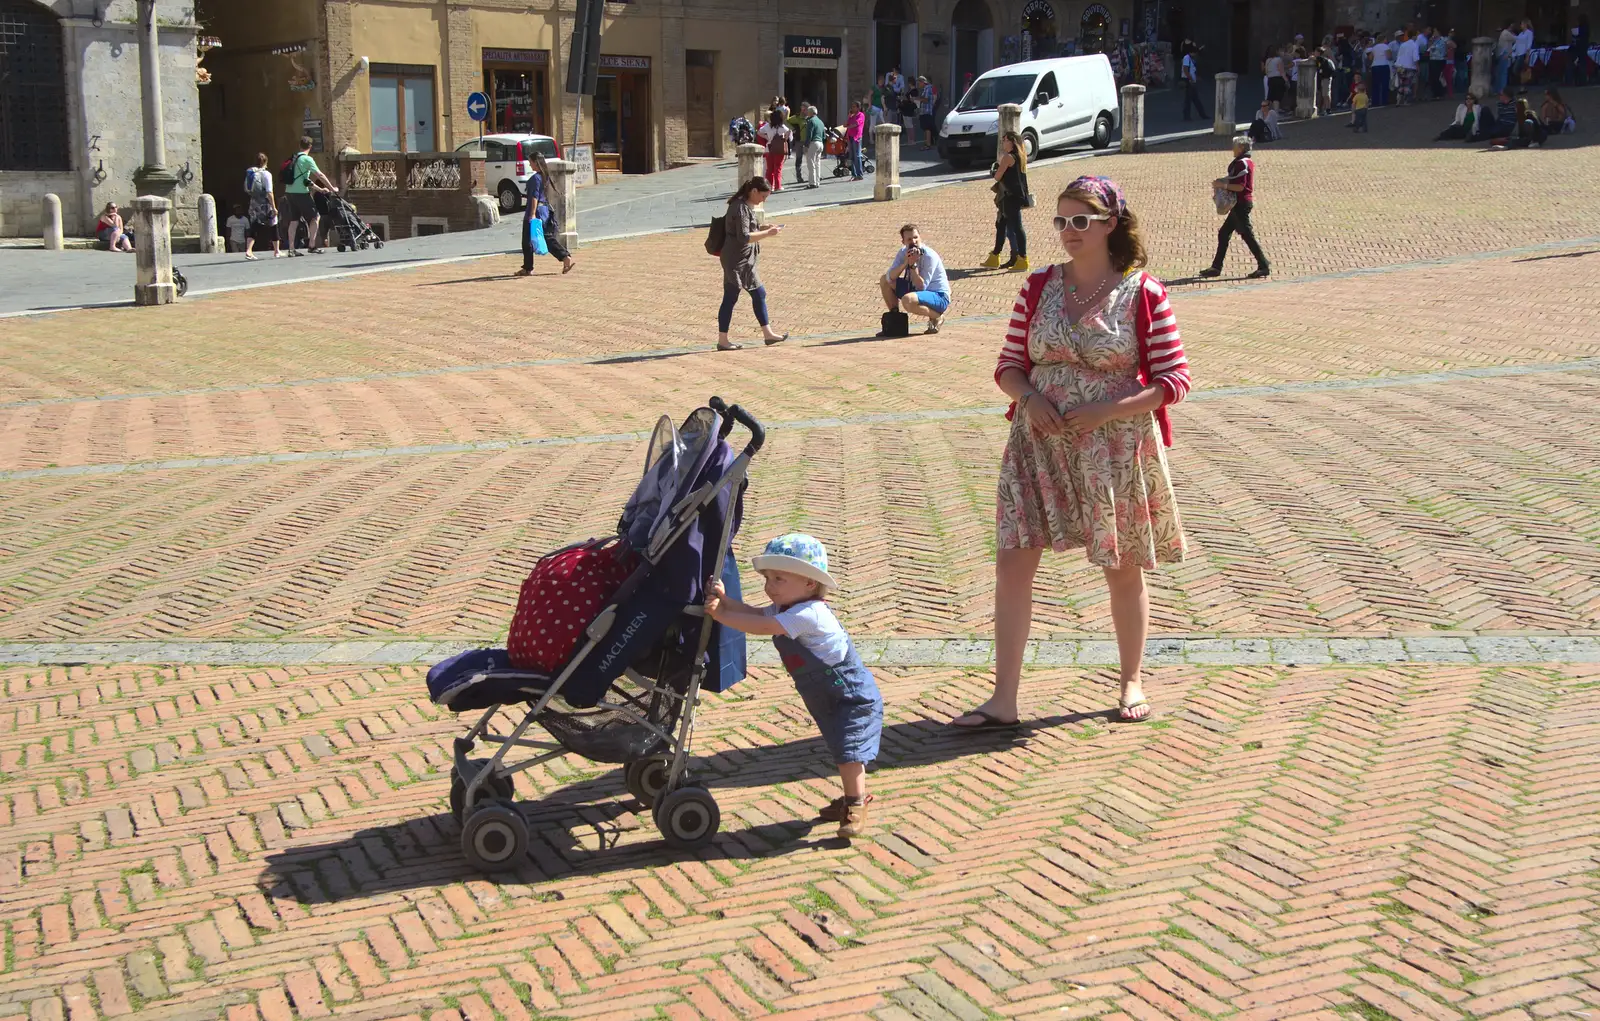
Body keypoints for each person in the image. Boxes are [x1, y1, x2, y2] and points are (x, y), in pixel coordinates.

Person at [956, 174, 1190, 731]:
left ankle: (1131, 679)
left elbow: (1175, 379)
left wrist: (1109, 410)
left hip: (1114, 448)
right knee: (1013, 563)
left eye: (1080, 220)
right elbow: (1009, 366)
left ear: (1112, 223)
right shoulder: (1039, 286)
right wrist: (1030, 397)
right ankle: (1003, 698)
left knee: (1122, 565)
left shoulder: (1144, 291)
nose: (1068, 232)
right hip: (1037, 445)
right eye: (1060, 221)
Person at [705, 534, 882, 840]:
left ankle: (855, 804)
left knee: (848, 751)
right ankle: (852, 795)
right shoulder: (788, 606)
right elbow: (756, 613)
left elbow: (763, 627)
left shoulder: (808, 614)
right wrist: (728, 602)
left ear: (810, 584)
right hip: (827, 693)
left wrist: (721, 615)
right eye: (767, 578)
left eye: (779, 579)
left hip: (850, 694)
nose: (769, 586)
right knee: (842, 747)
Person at [716, 176, 788, 351]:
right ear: (754, 191)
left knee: (759, 294)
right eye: (763, 196)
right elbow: (744, 237)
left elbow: (747, 229)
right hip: (736, 260)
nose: (763, 200)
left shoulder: (744, 206)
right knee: (731, 297)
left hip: (745, 260)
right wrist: (768, 234)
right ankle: (723, 340)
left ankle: (768, 334)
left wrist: (763, 228)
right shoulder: (739, 208)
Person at [1200, 136, 1269, 279]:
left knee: (1247, 235)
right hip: (1240, 204)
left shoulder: (1242, 163)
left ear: (1242, 148)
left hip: (1241, 204)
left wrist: (1222, 185)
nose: (1233, 148)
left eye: (1235, 146)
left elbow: (1240, 186)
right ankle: (1216, 267)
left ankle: (1264, 265)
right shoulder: (1245, 162)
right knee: (1224, 233)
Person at [879, 223, 952, 334]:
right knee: (884, 280)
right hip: (915, 290)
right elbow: (890, 277)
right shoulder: (903, 252)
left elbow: (921, 287)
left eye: (915, 237)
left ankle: (937, 316)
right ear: (903, 242)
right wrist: (905, 263)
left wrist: (913, 266)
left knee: (908, 300)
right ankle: (895, 320)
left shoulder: (929, 256)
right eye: (909, 239)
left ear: (920, 238)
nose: (913, 241)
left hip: (938, 296)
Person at [516, 152, 575, 276]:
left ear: (535, 162)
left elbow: (534, 197)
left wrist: (532, 214)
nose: (530, 164)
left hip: (535, 212)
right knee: (547, 237)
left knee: (527, 241)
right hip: (544, 211)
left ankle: (528, 267)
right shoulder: (544, 176)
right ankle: (564, 257)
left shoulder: (535, 179)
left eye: (530, 161)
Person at [981, 131, 1029, 271]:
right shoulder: (1021, 156)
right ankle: (995, 256)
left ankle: (1022, 259)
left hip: (1010, 197)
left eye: (1005, 140)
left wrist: (994, 170)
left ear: (1012, 141)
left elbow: (997, 176)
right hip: (1014, 196)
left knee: (1017, 228)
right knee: (1001, 225)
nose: (1003, 143)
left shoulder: (1008, 157)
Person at [282, 135, 334, 256]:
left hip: (289, 192)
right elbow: (319, 175)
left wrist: (320, 189)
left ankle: (291, 249)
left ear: (299, 146)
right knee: (315, 217)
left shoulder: (293, 158)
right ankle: (312, 245)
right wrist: (332, 188)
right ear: (310, 146)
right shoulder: (307, 160)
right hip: (301, 194)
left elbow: (306, 181)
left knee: (294, 220)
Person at [243, 152, 281, 260]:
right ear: (266, 162)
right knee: (274, 224)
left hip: (254, 202)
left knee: (255, 225)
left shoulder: (252, 173)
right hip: (265, 203)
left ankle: (249, 250)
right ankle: (276, 251)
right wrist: (274, 207)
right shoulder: (266, 174)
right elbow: (269, 192)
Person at [758, 108, 791, 191]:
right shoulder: (782, 127)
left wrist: (766, 137)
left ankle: (769, 186)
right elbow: (788, 134)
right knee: (778, 168)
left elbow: (759, 132)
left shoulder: (767, 126)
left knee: (770, 169)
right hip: (779, 149)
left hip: (769, 148)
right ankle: (778, 186)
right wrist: (785, 138)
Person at [802, 103, 827, 189]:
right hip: (820, 143)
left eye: (808, 112)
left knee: (811, 163)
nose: (807, 113)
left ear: (811, 113)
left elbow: (809, 134)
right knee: (817, 163)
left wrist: (806, 145)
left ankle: (812, 183)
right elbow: (824, 135)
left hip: (813, 143)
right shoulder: (820, 121)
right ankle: (817, 181)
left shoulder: (811, 121)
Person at [1393, 31, 1419, 104]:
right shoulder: (1414, 45)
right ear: (1414, 36)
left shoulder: (1403, 44)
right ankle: (1406, 100)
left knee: (1401, 84)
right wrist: (1417, 67)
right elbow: (1415, 57)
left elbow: (1399, 55)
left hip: (1400, 66)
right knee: (1407, 84)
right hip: (1409, 66)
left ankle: (1398, 100)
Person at [1181, 44, 1206, 120]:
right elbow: (1185, 70)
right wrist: (1191, 79)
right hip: (1189, 81)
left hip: (1192, 80)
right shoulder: (1186, 58)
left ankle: (1202, 114)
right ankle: (1187, 116)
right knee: (1189, 100)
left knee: (1194, 99)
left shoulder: (1191, 59)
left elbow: (1192, 70)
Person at [1366, 33, 1393, 105]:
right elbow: (1389, 57)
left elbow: (1370, 58)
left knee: (1375, 84)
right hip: (1384, 65)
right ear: (1384, 39)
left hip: (1375, 66)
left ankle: (1375, 101)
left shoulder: (1374, 48)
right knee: (1385, 84)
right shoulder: (1386, 47)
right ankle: (1384, 101)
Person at [844, 101, 867, 180]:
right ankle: (854, 174)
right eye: (852, 107)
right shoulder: (852, 116)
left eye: (854, 107)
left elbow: (856, 124)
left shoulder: (861, 115)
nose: (853, 108)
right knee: (852, 156)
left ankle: (859, 174)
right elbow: (846, 124)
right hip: (850, 137)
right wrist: (849, 116)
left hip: (857, 137)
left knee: (857, 155)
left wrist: (849, 126)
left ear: (858, 107)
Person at [917, 75, 939, 149]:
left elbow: (926, 99)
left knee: (927, 128)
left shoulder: (928, 88)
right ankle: (927, 143)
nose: (918, 85)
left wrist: (917, 99)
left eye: (919, 83)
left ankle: (928, 144)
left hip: (926, 111)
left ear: (923, 82)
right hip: (924, 111)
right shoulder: (925, 89)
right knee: (925, 128)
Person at [1495, 21, 1517, 93]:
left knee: (1500, 73)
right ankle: (1502, 90)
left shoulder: (1503, 33)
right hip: (1504, 54)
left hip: (1501, 54)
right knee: (1503, 73)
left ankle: (1499, 89)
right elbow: (1516, 39)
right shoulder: (1506, 33)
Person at [1512, 18, 1534, 84]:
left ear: (1525, 25)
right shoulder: (1521, 33)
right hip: (1517, 53)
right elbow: (1517, 42)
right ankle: (1522, 84)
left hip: (1523, 54)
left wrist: (1527, 56)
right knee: (1519, 70)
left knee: (1516, 70)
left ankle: (1522, 83)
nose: (1520, 26)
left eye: (1521, 24)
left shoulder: (1529, 33)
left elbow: (1529, 44)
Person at [869, 74, 887, 145]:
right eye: (881, 80)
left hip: (880, 108)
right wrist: (870, 105)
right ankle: (871, 139)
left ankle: (881, 138)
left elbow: (882, 98)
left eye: (883, 80)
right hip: (874, 107)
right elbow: (869, 95)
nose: (882, 82)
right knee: (872, 123)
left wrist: (884, 106)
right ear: (878, 80)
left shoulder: (882, 88)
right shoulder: (874, 87)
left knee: (883, 122)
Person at [1440, 31, 1458, 98]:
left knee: (1450, 78)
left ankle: (1450, 93)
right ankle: (1445, 92)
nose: (1452, 34)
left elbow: (1455, 46)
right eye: (1450, 33)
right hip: (1445, 61)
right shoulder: (1443, 41)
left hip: (1450, 62)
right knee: (1443, 78)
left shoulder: (1451, 41)